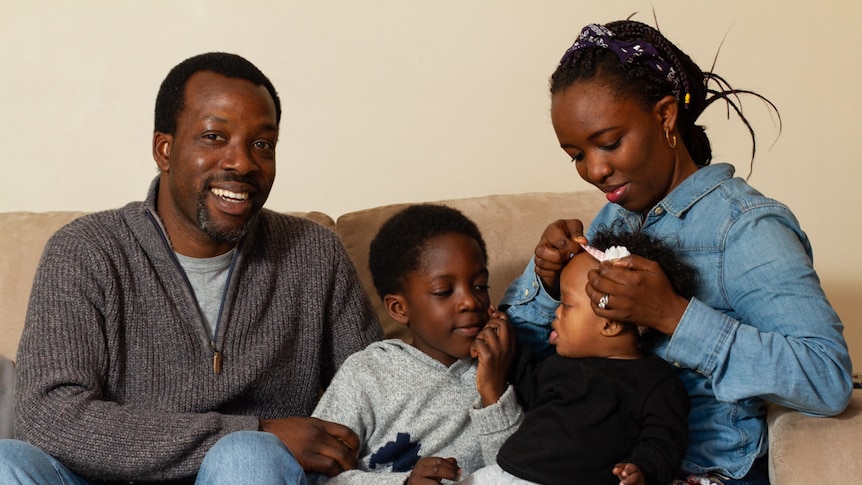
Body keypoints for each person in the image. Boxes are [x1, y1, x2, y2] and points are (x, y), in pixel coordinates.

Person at [0, 52, 383, 484]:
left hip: (252, 475)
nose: (243, 163)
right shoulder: (85, 250)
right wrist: (255, 428)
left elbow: (379, 394)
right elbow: (48, 418)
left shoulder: (314, 254)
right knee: (4, 462)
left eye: (262, 144)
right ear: (164, 149)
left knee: (248, 457)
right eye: (215, 137)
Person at [501, 20, 853, 484]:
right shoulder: (612, 222)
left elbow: (826, 378)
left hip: (703, 472)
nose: (595, 170)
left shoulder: (745, 228)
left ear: (665, 116)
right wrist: (546, 282)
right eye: (576, 155)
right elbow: (511, 350)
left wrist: (674, 316)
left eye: (608, 143)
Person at [310, 204, 523, 484]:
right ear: (399, 309)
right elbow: (317, 476)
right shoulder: (367, 373)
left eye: (480, 286)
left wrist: (493, 392)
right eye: (443, 291)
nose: (471, 301)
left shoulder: (502, 362)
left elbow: (516, 474)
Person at [464, 229, 691, 485]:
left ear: (610, 324)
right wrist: (503, 338)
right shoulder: (557, 364)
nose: (556, 314)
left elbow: (664, 442)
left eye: (566, 304)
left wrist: (643, 469)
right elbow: (526, 390)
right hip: (505, 473)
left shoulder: (655, 382)